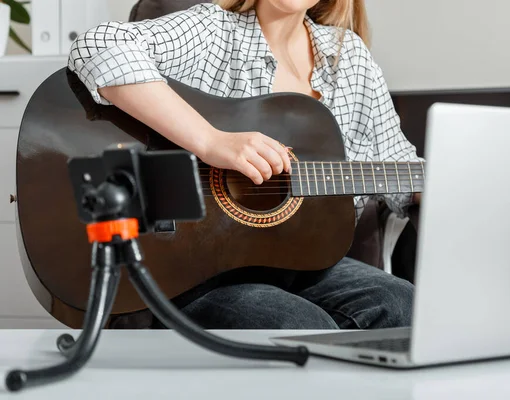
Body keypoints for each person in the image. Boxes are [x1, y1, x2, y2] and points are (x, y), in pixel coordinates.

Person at [68, 0, 423, 330]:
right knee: (298, 325)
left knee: (402, 303)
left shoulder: (349, 58)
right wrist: (210, 141)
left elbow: (398, 167)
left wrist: (441, 181)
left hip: (304, 260)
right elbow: (97, 45)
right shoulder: (214, 31)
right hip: (197, 268)